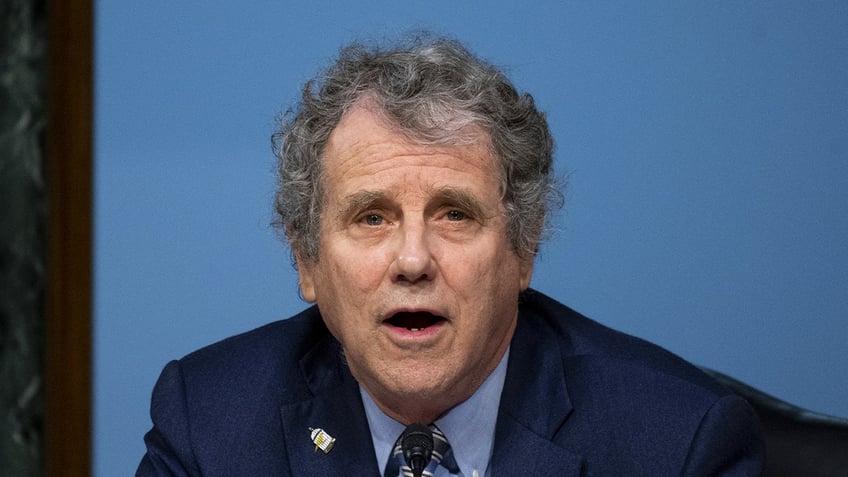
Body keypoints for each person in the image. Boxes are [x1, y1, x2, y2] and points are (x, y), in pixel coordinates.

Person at [137, 35, 764, 476]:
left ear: (523, 248)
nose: (413, 260)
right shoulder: (210, 423)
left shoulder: (678, 444)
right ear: (307, 260)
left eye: (455, 215)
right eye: (372, 217)